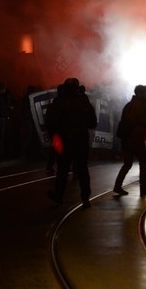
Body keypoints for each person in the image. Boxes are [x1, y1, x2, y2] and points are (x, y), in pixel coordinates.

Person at [46, 78, 97, 208]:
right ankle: (85, 198)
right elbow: (92, 122)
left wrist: (55, 136)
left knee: (62, 169)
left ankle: (58, 195)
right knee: (82, 169)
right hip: (80, 139)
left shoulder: (59, 102)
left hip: (64, 140)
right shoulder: (83, 102)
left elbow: (50, 122)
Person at [113, 85, 146, 197]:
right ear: (140, 94)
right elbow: (141, 121)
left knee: (127, 164)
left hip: (126, 138)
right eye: (145, 93)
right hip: (136, 138)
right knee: (143, 163)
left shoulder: (129, 105)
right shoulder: (140, 106)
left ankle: (117, 186)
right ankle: (143, 188)